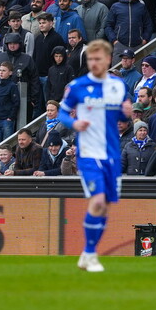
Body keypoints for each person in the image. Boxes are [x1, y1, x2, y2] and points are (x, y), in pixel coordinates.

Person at [57, 39, 134, 273]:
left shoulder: (117, 86)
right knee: (98, 200)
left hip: (111, 154)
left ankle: (88, 253)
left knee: (106, 205)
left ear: (109, 60)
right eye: (90, 59)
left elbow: (123, 116)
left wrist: (126, 113)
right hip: (88, 153)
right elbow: (61, 112)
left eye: (98, 59)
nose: (94, 63)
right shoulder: (77, 86)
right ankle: (90, 253)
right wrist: (74, 122)